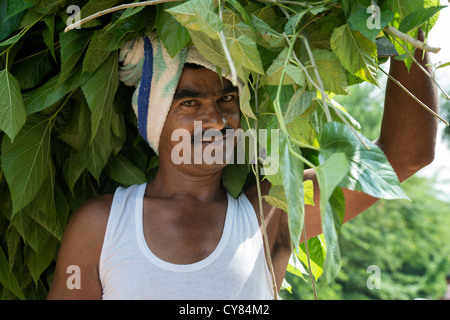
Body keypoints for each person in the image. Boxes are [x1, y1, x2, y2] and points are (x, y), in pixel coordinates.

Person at [47, 30, 439, 299]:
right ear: (154, 119)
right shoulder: (103, 224)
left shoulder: (270, 215)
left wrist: (407, 32)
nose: (217, 120)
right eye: (190, 103)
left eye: (227, 100)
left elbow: (405, 156)